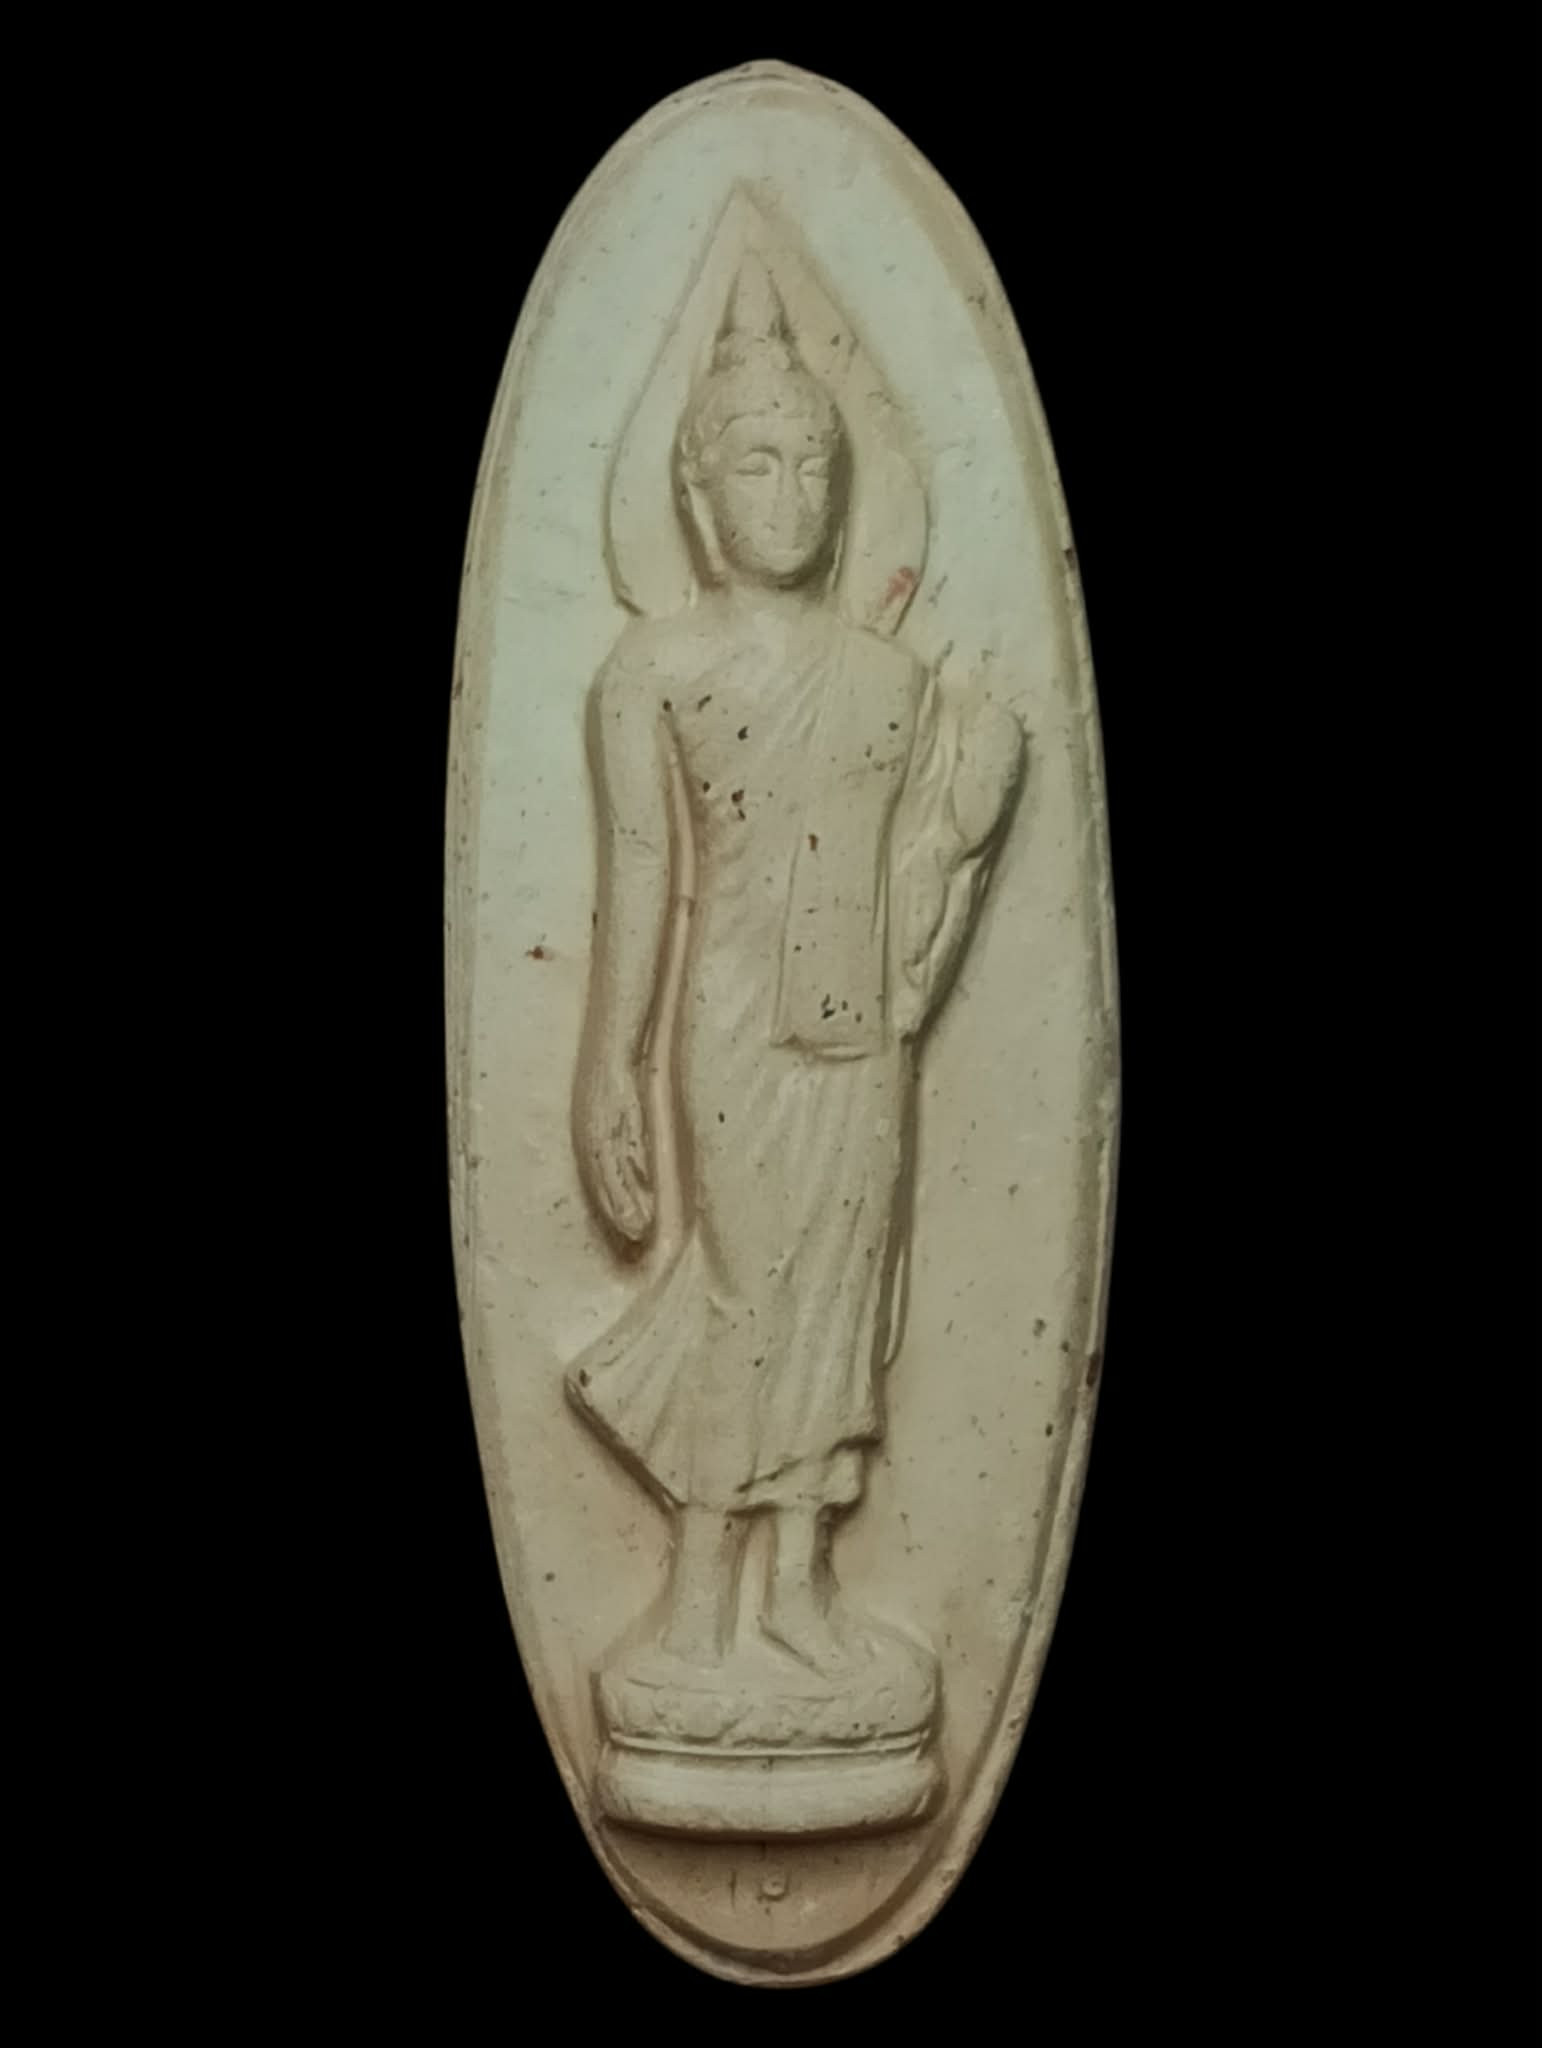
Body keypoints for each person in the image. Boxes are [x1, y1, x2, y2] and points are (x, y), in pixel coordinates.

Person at [567, 254, 1024, 1683]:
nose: (790, 494)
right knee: (747, 1286)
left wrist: (968, 807)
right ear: (697, 490)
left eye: (813, 464)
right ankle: (701, 1596)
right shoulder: (653, 669)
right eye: (755, 464)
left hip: (859, 1033)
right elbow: (636, 883)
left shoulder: (889, 679)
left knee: (848, 1292)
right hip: (733, 1025)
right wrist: (607, 1068)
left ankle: (801, 1587)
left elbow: (918, 882)